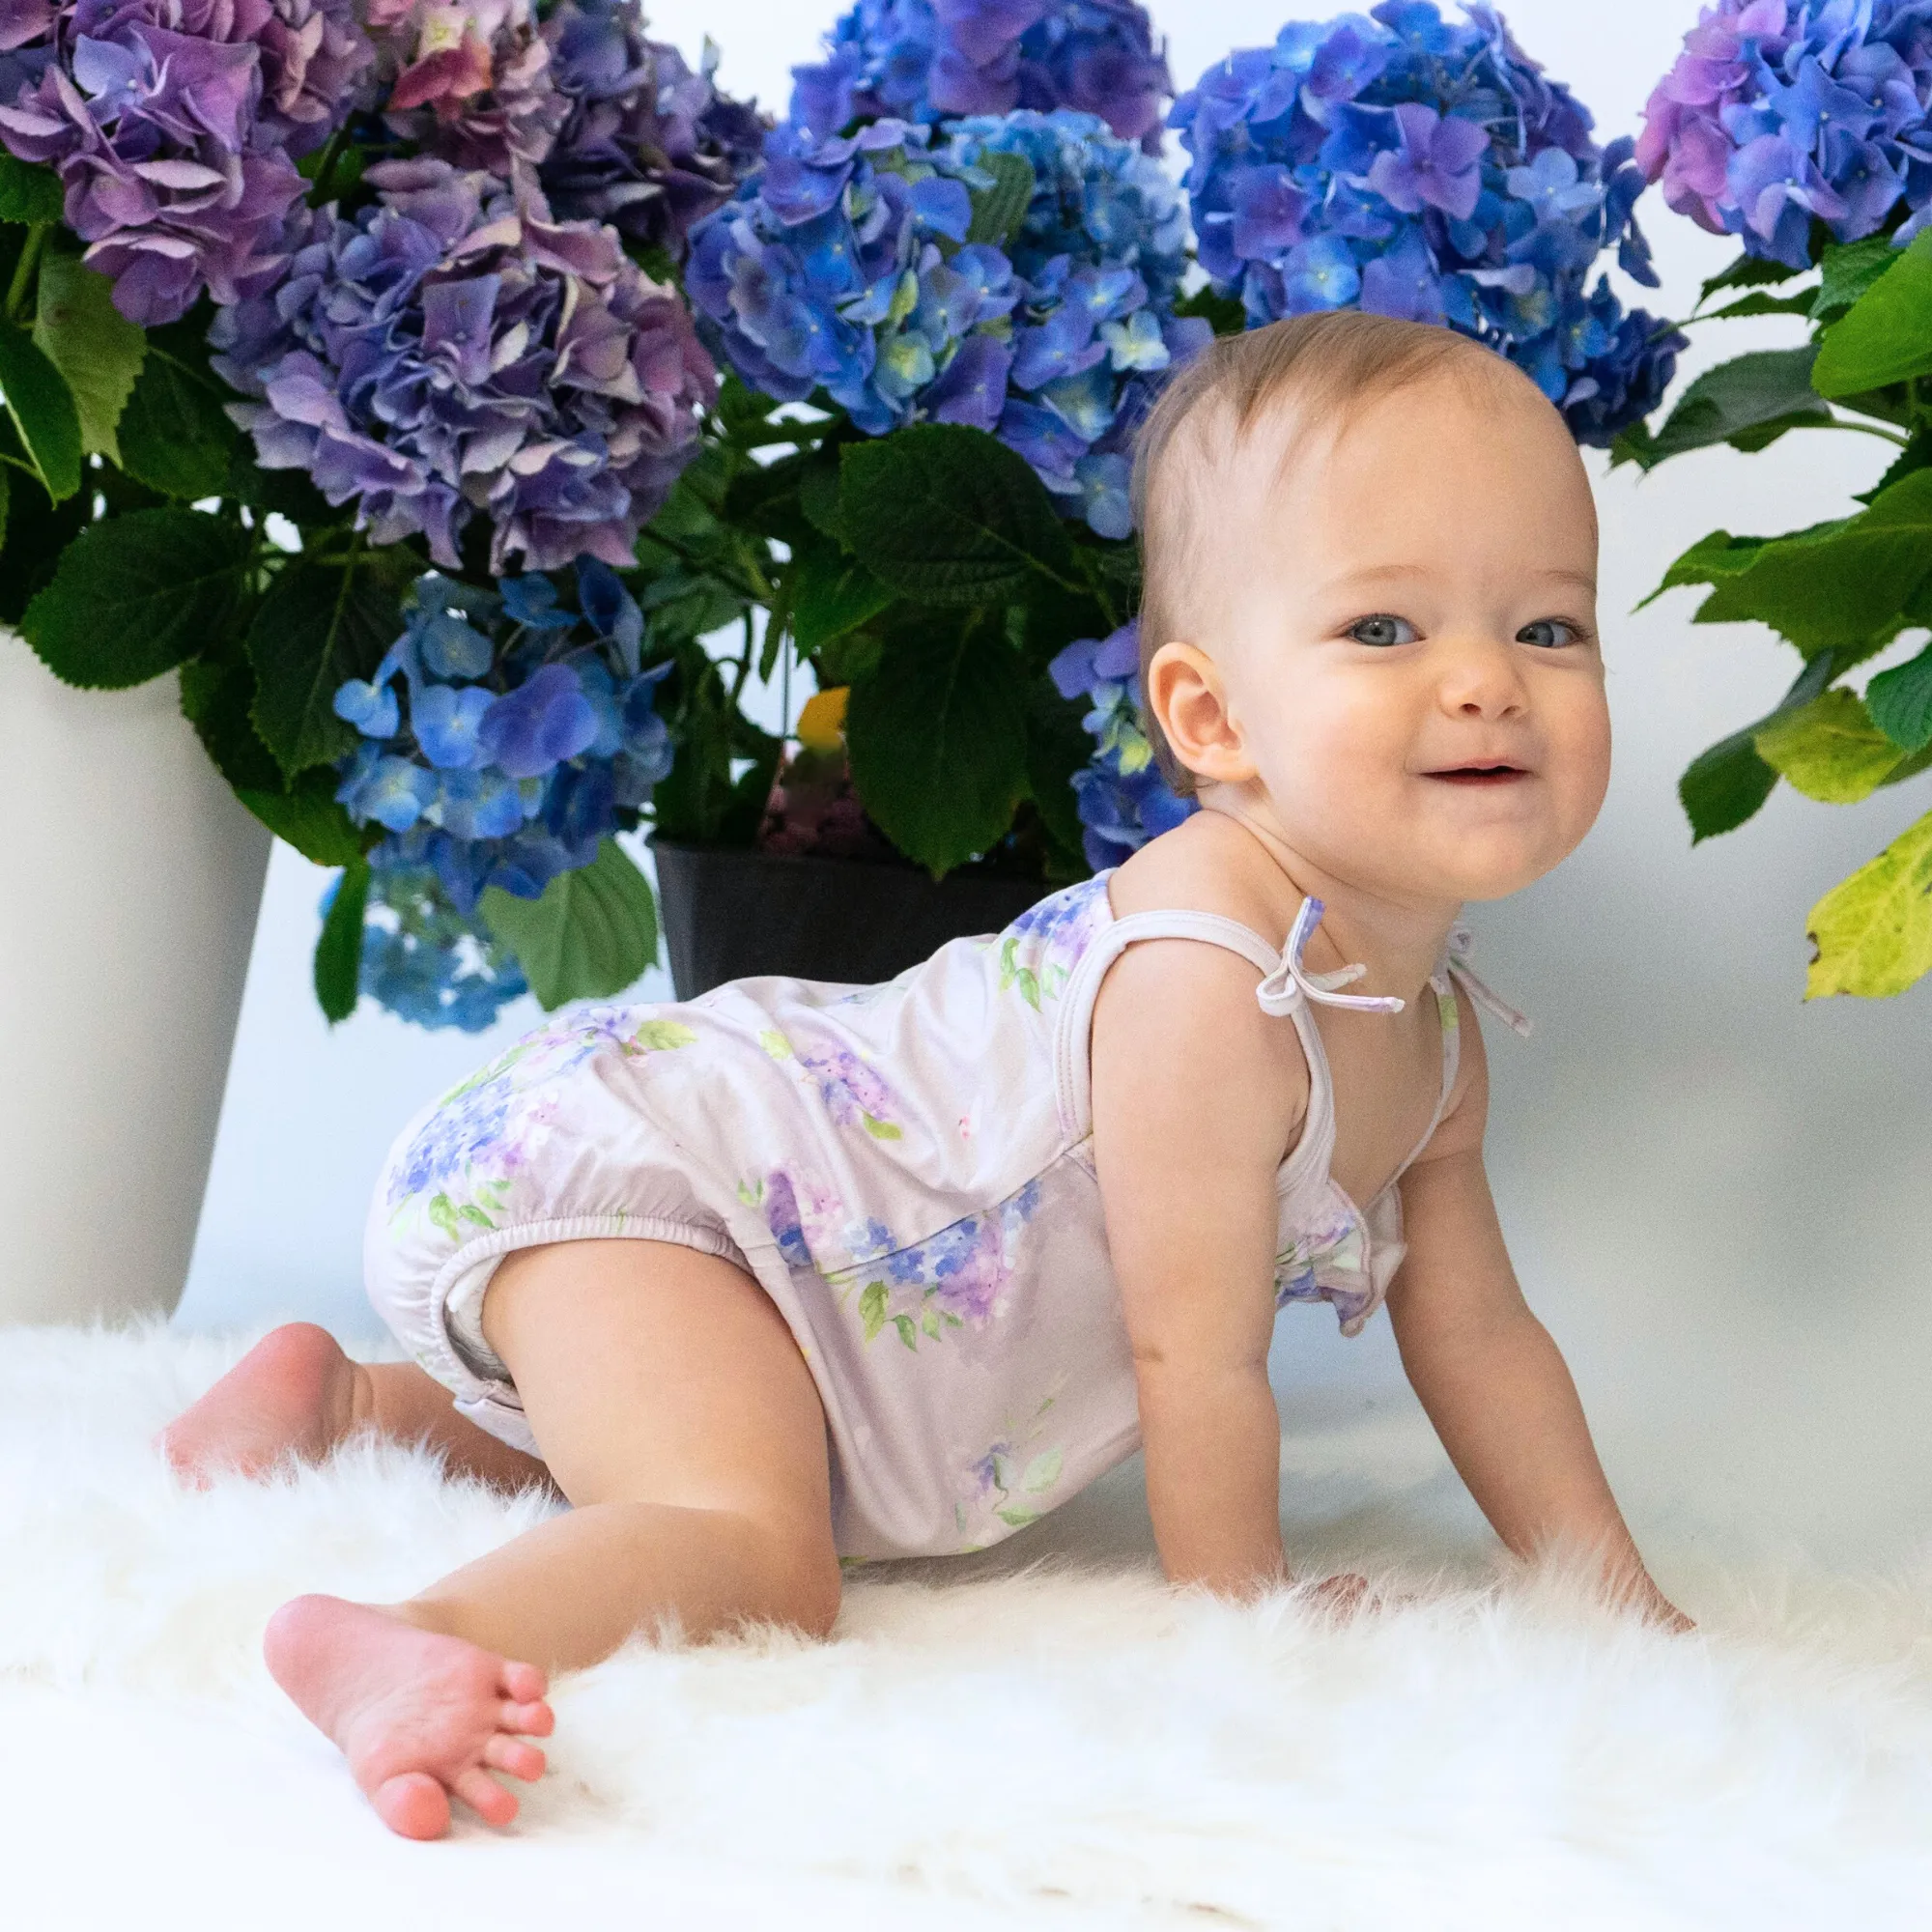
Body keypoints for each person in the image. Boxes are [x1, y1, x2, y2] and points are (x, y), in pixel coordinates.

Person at [161, 311, 1688, 1841]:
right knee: (754, 1544)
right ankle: (414, 1639)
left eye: (1548, 629)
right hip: (659, 1176)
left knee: (700, 1420)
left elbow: (1481, 1333)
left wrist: (1617, 1600)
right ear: (1212, 718)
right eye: (1386, 630)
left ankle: (348, 1405)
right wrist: (1250, 1627)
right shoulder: (1212, 986)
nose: (1490, 682)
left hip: (762, 1272)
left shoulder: (1430, 1033)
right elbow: (1193, 1362)